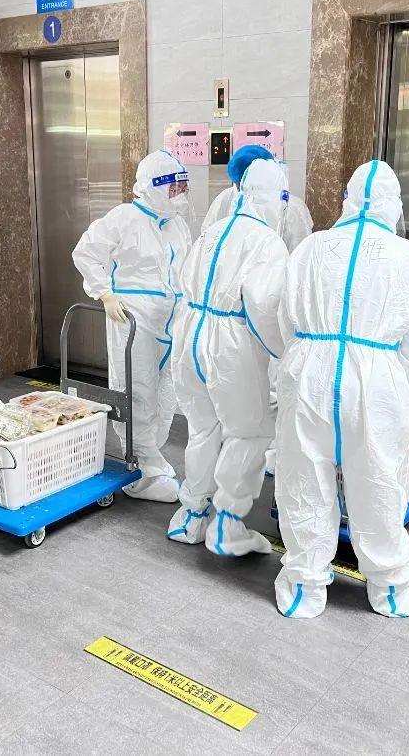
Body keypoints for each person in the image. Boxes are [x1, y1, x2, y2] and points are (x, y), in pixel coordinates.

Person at [274, 160, 409, 619]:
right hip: (376, 378)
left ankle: (304, 587)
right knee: (377, 482)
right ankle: (391, 588)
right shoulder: (408, 257)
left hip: (310, 370)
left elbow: (286, 317)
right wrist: (395, 371)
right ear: (394, 204)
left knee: (303, 478)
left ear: (347, 200)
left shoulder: (311, 247)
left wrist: (307, 355)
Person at [166, 159, 290, 555]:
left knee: (203, 428)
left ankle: (191, 515)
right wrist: (286, 351)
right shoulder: (267, 242)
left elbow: (184, 279)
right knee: (250, 431)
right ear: (273, 199)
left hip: (190, 332)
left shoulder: (214, 229)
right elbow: (263, 306)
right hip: (229, 342)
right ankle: (228, 525)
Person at [72, 150, 194, 502]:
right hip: (133, 316)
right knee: (137, 390)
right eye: (173, 188)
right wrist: (105, 293)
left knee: (166, 390)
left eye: (182, 187)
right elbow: (85, 253)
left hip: (171, 318)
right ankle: (139, 466)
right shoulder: (125, 217)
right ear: (154, 186)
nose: (180, 194)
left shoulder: (176, 224)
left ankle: (151, 456)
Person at [204, 146, 314, 477]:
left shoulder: (291, 208)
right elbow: (210, 247)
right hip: (234, 316)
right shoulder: (225, 200)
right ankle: (240, 453)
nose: (241, 190)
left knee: (274, 385)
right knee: (238, 391)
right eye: (238, 183)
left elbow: (300, 260)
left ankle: (272, 453)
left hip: (274, 305)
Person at [203, 145, 313, 251]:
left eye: (243, 182)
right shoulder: (226, 198)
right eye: (237, 184)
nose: (240, 189)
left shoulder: (293, 207)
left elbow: (301, 251)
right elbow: (208, 237)